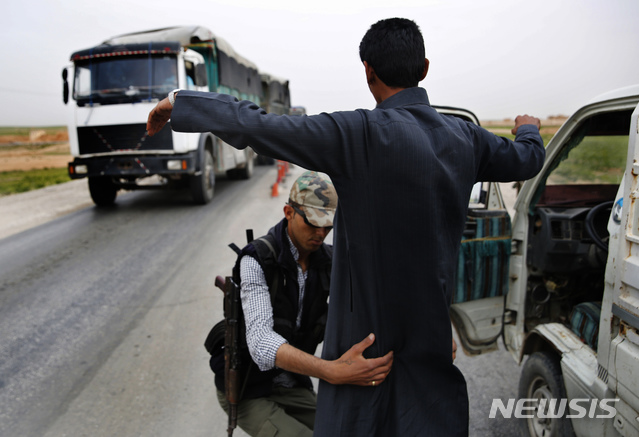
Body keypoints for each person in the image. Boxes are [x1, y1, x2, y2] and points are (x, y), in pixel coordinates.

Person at [148, 17, 545, 436]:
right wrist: (528, 129)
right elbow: (526, 159)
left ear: (368, 72)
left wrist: (181, 102)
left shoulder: (357, 133)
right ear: (424, 69)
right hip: (430, 354)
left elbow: (260, 126)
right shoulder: (468, 138)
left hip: (362, 363)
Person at [215, 170, 393, 436]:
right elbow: (262, 344)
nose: (320, 233)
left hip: (292, 383)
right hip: (248, 390)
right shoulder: (256, 260)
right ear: (288, 212)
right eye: (312, 223)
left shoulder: (331, 261)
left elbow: (377, 294)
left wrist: (429, 335)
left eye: (327, 226)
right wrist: (330, 371)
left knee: (345, 429)